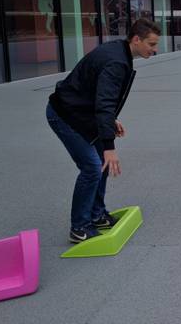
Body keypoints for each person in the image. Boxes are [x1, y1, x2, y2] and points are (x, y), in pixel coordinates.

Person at [47, 18, 160, 243]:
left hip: (82, 113)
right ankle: (79, 227)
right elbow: (105, 103)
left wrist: (111, 120)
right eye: (151, 44)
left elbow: (100, 96)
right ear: (136, 39)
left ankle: (97, 215)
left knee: (101, 165)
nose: (154, 50)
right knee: (92, 167)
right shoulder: (116, 62)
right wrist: (109, 146)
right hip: (65, 115)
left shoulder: (121, 52)